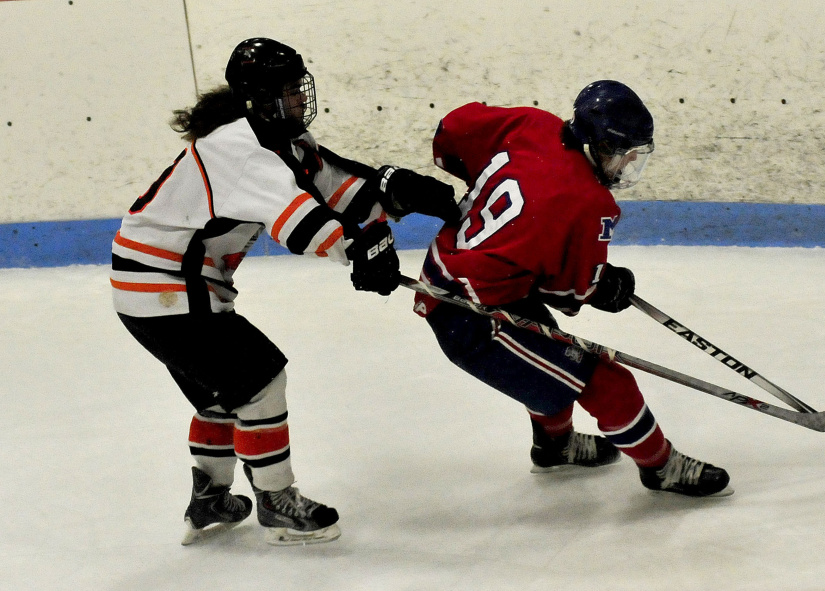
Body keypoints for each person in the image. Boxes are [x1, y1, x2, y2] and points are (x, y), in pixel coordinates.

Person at [111, 37, 459, 546]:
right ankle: (276, 500)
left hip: (155, 289)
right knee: (259, 379)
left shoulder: (282, 141)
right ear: (257, 97)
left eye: (300, 87)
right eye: (289, 90)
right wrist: (358, 250)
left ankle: (210, 498)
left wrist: (397, 192)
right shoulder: (236, 148)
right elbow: (300, 222)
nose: (300, 99)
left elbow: (337, 187)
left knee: (224, 393)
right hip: (165, 291)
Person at [414, 81, 731, 497]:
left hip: (462, 277)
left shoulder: (532, 123)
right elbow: (570, 295)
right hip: (475, 319)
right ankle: (660, 467)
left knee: (554, 359)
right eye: (623, 155)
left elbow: (451, 131)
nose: (626, 166)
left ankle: (555, 446)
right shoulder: (588, 202)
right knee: (605, 381)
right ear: (598, 144)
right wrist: (606, 287)